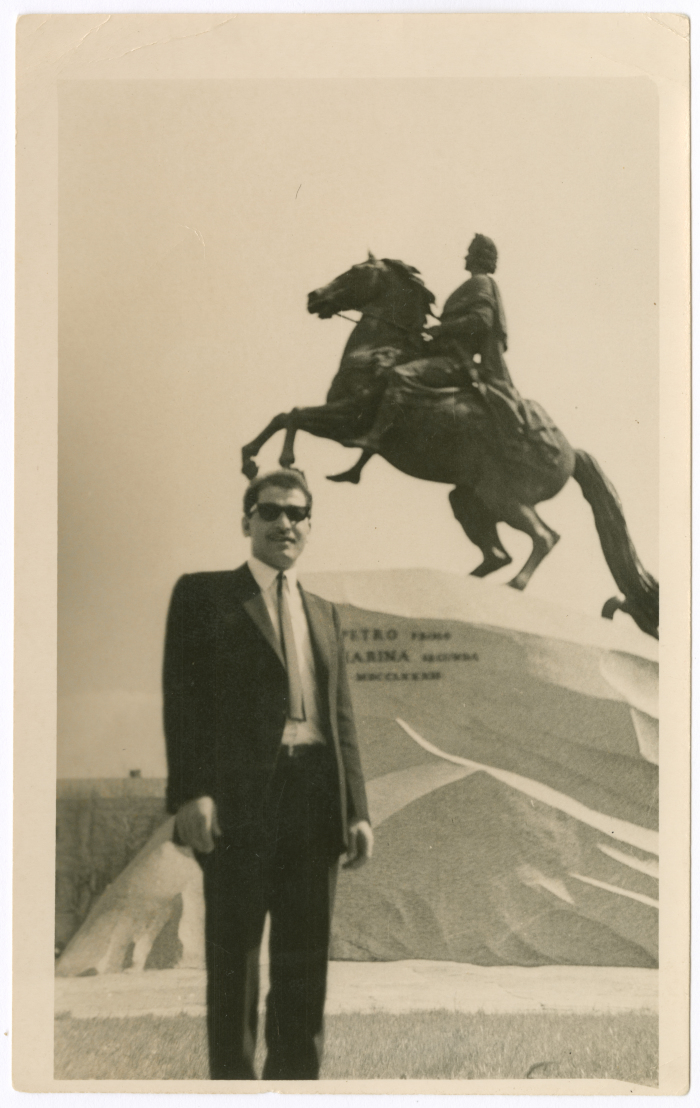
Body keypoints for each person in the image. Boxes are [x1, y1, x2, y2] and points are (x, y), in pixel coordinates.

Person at [163, 468, 373, 1081]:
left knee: (304, 964)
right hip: (239, 802)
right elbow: (184, 700)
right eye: (272, 510)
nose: (286, 523)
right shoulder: (204, 596)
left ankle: (295, 1088)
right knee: (234, 961)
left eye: (298, 513)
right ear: (247, 520)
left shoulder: (324, 613)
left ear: (309, 525)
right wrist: (193, 791)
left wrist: (356, 809)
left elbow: (341, 718)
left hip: (314, 799)